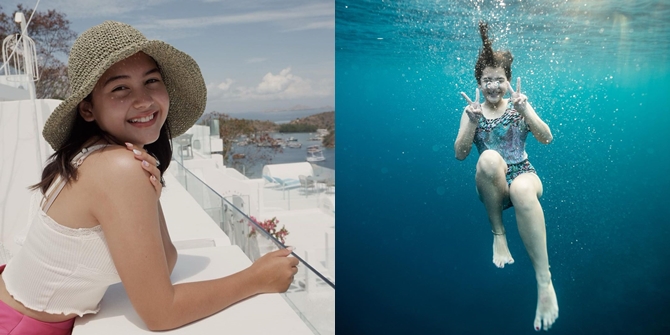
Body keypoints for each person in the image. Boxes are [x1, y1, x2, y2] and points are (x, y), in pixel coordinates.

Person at [0, 21, 297, 334]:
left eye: (151, 81)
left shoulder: (101, 155)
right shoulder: (116, 167)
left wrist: (151, 196)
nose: (143, 101)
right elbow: (161, 313)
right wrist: (256, 278)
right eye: (120, 88)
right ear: (88, 109)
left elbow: (165, 262)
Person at [454, 22, 559, 331]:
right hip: (493, 186)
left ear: (508, 81)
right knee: (487, 158)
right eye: (487, 80)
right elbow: (461, 154)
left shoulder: (518, 106)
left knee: (524, 191)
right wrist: (472, 123)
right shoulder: (471, 111)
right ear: (478, 82)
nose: (494, 86)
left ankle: (544, 281)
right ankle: (498, 235)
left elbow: (547, 138)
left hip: (524, 174)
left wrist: (527, 112)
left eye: (499, 80)